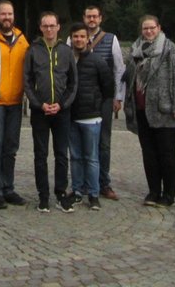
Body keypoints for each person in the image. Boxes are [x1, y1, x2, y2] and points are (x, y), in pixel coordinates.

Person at [123, 15, 175, 207]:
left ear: (159, 28)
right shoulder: (135, 49)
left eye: (152, 28)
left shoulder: (169, 49)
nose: (149, 31)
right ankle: (153, 191)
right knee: (148, 153)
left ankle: (169, 193)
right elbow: (129, 77)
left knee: (167, 153)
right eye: (145, 28)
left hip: (164, 110)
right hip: (142, 109)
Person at [24, 11, 78, 213]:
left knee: (61, 154)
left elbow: (73, 82)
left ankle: (61, 193)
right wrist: (39, 104)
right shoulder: (32, 50)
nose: (49, 29)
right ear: (41, 27)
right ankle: (43, 195)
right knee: (40, 154)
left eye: (52, 25)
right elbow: (27, 81)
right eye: (45, 26)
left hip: (61, 111)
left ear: (58, 27)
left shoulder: (66, 51)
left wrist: (62, 104)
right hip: (40, 111)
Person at [79, 5, 125, 200]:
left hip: (104, 98)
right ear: (84, 18)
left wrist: (118, 96)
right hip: (82, 98)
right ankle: (82, 182)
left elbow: (119, 69)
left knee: (104, 142)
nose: (91, 20)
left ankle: (104, 182)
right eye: (88, 16)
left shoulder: (111, 39)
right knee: (81, 142)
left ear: (100, 19)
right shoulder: (75, 37)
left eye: (95, 17)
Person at [0, 0, 30, 209]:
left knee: (11, 147)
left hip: (15, 101)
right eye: (3, 14)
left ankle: (8, 188)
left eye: (10, 14)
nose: (7, 18)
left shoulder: (22, 40)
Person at [68, 22, 114, 211]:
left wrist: (98, 108)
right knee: (75, 157)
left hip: (91, 117)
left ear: (88, 39)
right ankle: (77, 190)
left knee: (92, 158)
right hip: (72, 116)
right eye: (75, 36)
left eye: (82, 36)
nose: (79, 40)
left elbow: (108, 88)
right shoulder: (67, 59)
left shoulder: (97, 61)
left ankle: (94, 194)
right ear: (71, 39)